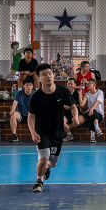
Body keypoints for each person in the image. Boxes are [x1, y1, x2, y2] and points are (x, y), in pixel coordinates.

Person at [28, 63, 79, 192]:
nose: (48, 76)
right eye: (44, 74)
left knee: (53, 162)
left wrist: (75, 117)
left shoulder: (63, 91)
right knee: (44, 158)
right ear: (39, 78)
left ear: (53, 75)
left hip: (57, 132)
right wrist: (33, 132)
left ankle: (47, 168)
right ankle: (39, 181)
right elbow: (31, 117)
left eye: (50, 73)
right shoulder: (36, 96)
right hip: (42, 131)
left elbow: (73, 107)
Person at [62, 77, 85, 141]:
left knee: (81, 120)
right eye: (68, 84)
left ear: (75, 85)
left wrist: (80, 93)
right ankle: (69, 134)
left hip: (76, 113)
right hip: (65, 113)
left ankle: (66, 128)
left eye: (71, 84)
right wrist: (63, 106)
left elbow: (81, 105)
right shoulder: (63, 92)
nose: (70, 85)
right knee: (61, 121)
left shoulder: (77, 93)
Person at [82, 77, 105, 142]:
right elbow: (82, 104)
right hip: (89, 113)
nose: (87, 85)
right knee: (90, 114)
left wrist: (92, 109)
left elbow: (98, 101)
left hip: (99, 114)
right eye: (87, 84)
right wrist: (79, 93)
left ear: (94, 85)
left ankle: (92, 136)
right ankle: (97, 128)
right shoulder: (87, 94)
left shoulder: (100, 92)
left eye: (89, 84)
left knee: (93, 114)